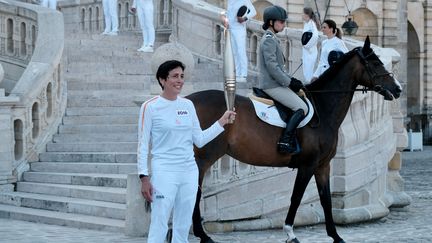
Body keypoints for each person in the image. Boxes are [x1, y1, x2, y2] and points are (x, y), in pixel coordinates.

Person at [137, 60, 236, 242]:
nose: (180, 80)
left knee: (182, 226)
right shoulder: (150, 107)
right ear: (162, 80)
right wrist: (144, 177)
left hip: (189, 172)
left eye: (182, 76)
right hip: (164, 171)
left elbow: (199, 139)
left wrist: (222, 121)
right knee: (159, 223)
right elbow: (143, 145)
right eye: (175, 76)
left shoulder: (188, 106)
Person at [258, 5, 308, 154]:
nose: (283, 24)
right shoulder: (268, 40)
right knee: (302, 108)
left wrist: (292, 80)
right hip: (271, 85)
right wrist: (289, 82)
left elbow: (279, 68)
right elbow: (273, 68)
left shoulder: (272, 38)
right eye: (281, 21)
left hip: (277, 82)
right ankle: (285, 141)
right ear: (271, 22)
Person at [221, 0, 256, 82]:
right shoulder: (230, 1)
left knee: (241, 52)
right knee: (234, 52)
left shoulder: (244, 0)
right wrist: (225, 20)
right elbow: (228, 13)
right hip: (231, 28)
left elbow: (254, 12)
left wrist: (244, 18)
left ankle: (243, 75)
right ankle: (237, 73)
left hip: (239, 30)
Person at [301, 7, 320, 84]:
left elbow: (315, 36)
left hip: (310, 52)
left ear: (306, 15)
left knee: (308, 74)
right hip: (307, 53)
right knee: (306, 72)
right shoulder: (307, 24)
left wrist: (307, 46)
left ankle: (309, 91)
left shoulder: (312, 24)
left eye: (303, 13)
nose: (301, 15)